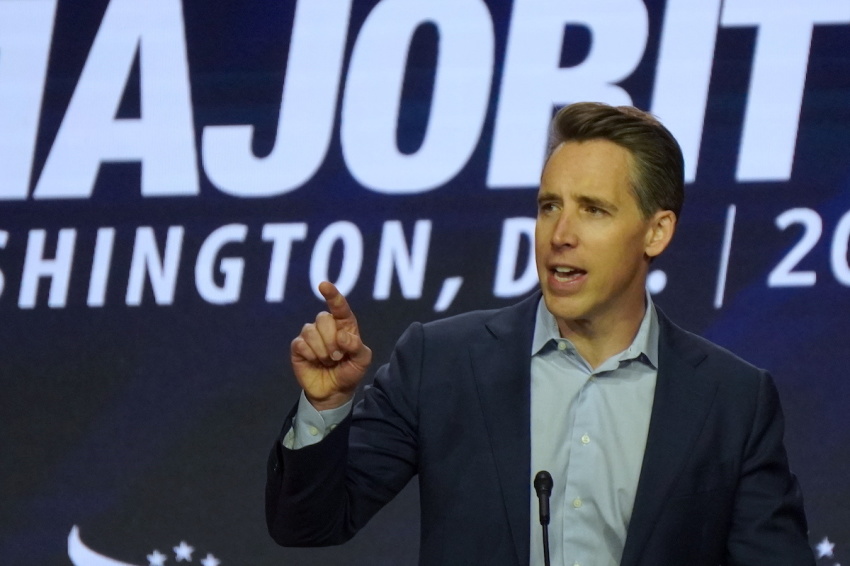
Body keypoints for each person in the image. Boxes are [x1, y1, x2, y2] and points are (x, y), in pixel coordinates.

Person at [265, 102, 813, 565]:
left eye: (593, 210)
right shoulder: (443, 364)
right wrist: (326, 408)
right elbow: (306, 525)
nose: (561, 234)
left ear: (656, 231)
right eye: (549, 206)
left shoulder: (731, 400)